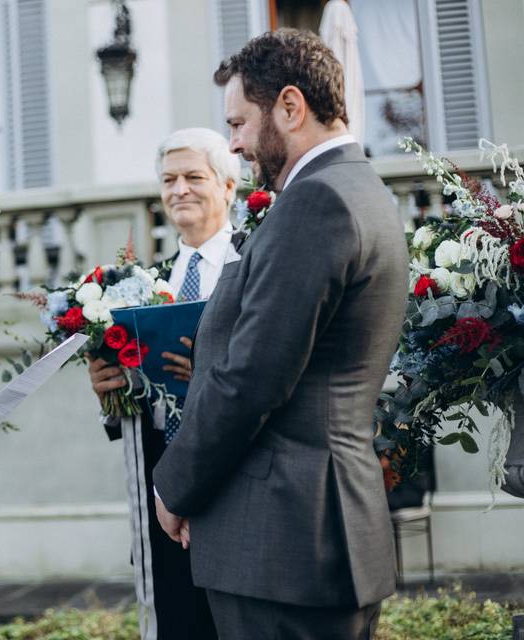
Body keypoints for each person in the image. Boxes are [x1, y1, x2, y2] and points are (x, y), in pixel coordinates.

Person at [153, 30, 408, 639]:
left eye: (240, 122)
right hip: (317, 532)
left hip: (283, 542)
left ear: (290, 107)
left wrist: (174, 485)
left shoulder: (314, 203)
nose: (235, 142)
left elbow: (252, 378)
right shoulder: (360, 189)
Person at [88, 128, 240, 640]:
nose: (179, 190)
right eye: (168, 180)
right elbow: (131, 411)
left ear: (228, 187)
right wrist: (111, 389)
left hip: (237, 498)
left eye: (194, 177)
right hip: (163, 503)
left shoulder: (257, 268)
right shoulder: (142, 286)